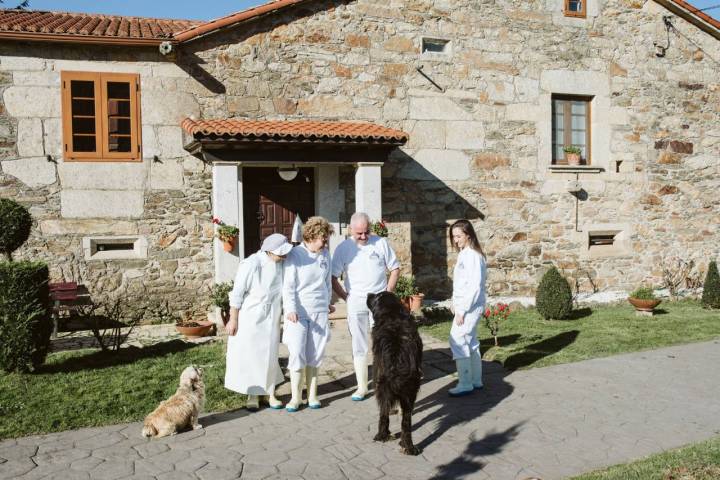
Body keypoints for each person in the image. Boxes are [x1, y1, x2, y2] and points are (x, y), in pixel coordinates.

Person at [331, 212, 400, 401]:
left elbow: (394, 268)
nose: (363, 236)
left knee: (382, 342)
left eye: (366, 232)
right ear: (350, 230)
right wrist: (346, 297)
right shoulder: (343, 248)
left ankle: (381, 383)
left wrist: (387, 292)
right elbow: (333, 277)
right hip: (356, 302)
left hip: (379, 302)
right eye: (359, 233)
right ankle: (362, 387)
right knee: (358, 344)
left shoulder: (380, 243)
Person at [224, 233, 293, 411]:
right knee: (253, 354)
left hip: (273, 313)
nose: (284, 256)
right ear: (269, 251)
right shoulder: (251, 264)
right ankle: (253, 393)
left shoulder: (281, 263)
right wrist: (233, 319)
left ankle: (270, 392)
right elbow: (237, 293)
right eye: (281, 253)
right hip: (252, 315)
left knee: (270, 353)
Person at [282, 216, 335, 412]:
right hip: (298, 312)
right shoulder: (295, 254)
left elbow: (327, 282)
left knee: (315, 353)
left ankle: (312, 395)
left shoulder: (325, 254)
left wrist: (328, 302)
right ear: (312, 236)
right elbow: (288, 286)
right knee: (297, 352)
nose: (326, 242)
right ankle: (296, 397)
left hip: (319, 310)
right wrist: (290, 309)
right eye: (323, 238)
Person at [448, 219, 487, 397]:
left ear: (468, 235)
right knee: (470, 340)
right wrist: (454, 302)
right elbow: (462, 283)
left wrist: (462, 310)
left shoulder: (472, 256)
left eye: (458, 236)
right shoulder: (465, 254)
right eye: (454, 236)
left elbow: (474, 287)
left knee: (457, 338)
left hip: (470, 307)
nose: (455, 240)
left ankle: (465, 383)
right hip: (465, 306)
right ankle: (475, 380)